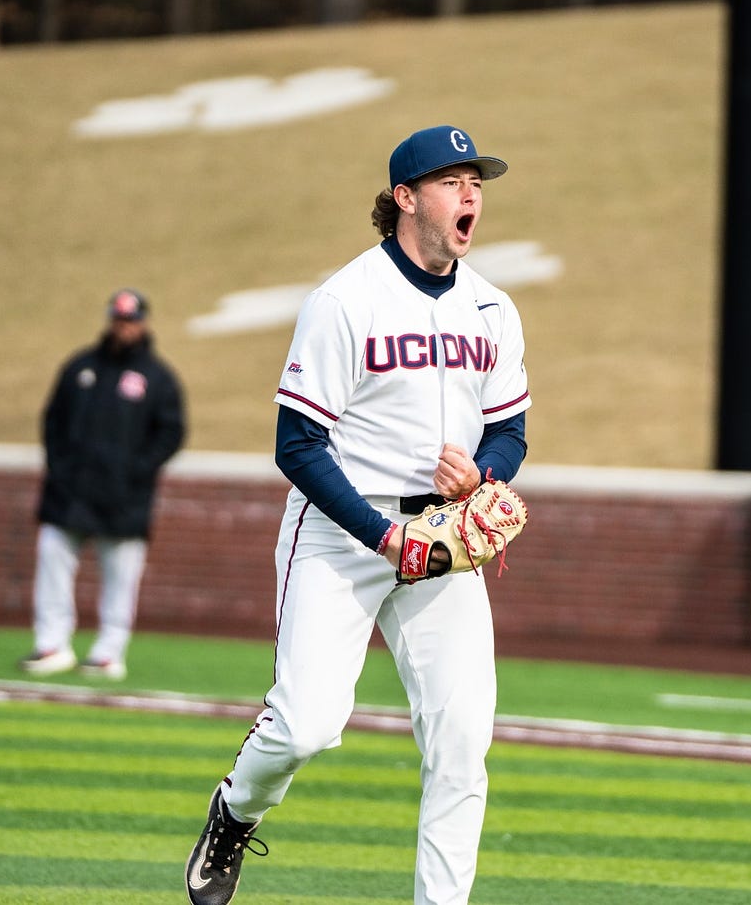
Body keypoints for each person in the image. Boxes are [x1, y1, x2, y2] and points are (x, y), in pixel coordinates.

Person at [184, 126, 530, 905]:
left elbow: (509, 431)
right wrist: (381, 535)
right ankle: (236, 809)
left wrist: (484, 474)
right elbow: (297, 445)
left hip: (441, 542)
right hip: (344, 533)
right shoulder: (346, 300)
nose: (470, 193)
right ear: (405, 199)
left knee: (462, 741)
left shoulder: (492, 308)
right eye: (451, 181)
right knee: (307, 723)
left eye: (477, 181)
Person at [18, 287, 187, 680]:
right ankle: (52, 644)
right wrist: (59, 466)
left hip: (123, 497)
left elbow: (171, 433)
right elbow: (53, 420)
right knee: (53, 562)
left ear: (142, 323)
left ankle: (109, 652)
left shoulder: (157, 378)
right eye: (117, 318)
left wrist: (136, 471)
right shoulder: (80, 368)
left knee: (120, 578)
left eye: (130, 320)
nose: (122, 326)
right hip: (70, 491)